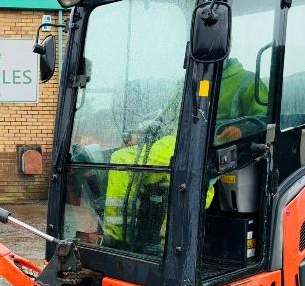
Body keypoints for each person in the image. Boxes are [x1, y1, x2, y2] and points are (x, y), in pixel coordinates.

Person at [102, 57, 266, 250]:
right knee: (120, 159)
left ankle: (171, 249)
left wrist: (241, 129)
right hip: (175, 144)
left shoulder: (246, 82)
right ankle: (117, 238)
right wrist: (145, 135)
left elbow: (264, 117)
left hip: (212, 150)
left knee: (189, 173)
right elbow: (165, 118)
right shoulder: (188, 84)